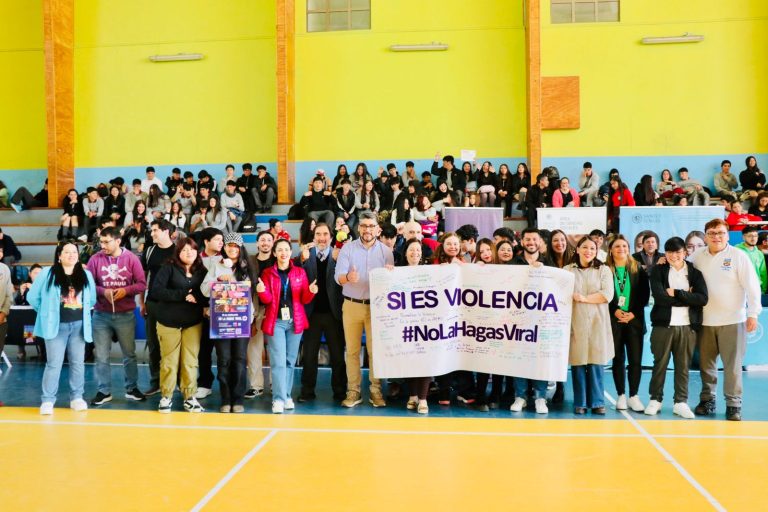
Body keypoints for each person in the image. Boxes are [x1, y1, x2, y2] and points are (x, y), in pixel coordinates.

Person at [691, 218, 761, 421]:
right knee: (706, 365)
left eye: (720, 232)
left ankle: (733, 404)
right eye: (712, 233)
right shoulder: (697, 256)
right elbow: (679, 269)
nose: (716, 237)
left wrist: (753, 313)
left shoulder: (738, 256)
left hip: (733, 320)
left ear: (728, 235)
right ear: (706, 236)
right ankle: (708, 400)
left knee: (732, 366)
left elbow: (752, 287)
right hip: (705, 320)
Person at [28, 241, 97, 415]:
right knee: (53, 364)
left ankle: (77, 397)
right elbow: (32, 297)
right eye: (67, 252)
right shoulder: (47, 273)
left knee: (78, 363)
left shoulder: (86, 275)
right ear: (59, 255)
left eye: (74, 252)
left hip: (79, 326)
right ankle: (48, 400)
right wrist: (46, 313)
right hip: (55, 327)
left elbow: (93, 299)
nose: (71, 255)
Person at [334, 212, 394, 408]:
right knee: (351, 350)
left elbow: (391, 281)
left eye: (371, 226)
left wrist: (390, 276)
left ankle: (376, 391)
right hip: (351, 305)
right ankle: (354, 390)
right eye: (364, 226)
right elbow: (338, 277)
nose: (367, 229)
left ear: (377, 229)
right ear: (358, 228)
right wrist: (347, 278)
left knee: (375, 351)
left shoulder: (386, 251)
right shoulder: (347, 249)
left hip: (377, 307)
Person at [645, 237, 708, 419]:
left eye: (678, 252)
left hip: (688, 327)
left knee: (683, 366)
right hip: (663, 326)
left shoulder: (694, 273)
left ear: (685, 252)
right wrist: (687, 296)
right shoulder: (658, 270)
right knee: (660, 364)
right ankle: (655, 399)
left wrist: (677, 293)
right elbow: (660, 297)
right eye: (670, 252)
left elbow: (702, 299)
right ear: (665, 253)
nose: (674, 256)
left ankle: (680, 402)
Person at [86, 227, 147, 406]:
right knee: (102, 355)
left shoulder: (131, 258)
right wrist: (103, 292)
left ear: (118, 241)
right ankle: (103, 390)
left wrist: (125, 291)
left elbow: (142, 284)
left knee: (129, 354)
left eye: (106, 242)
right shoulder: (94, 259)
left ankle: (132, 388)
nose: (102, 245)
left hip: (126, 314)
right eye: (100, 242)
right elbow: (88, 285)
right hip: (100, 314)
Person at [256, 239, 317, 413]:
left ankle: (287, 395)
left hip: (295, 321)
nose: (283, 253)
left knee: (290, 362)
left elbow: (304, 299)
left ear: (291, 252)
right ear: (274, 253)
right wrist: (261, 291)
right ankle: (278, 399)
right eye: (280, 250)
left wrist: (311, 292)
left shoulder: (300, 272)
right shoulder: (267, 273)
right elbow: (267, 300)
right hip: (276, 321)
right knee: (278, 362)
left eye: (286, 250)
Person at [151, 238, 208, 413]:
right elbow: (157, 291)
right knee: (169, 361)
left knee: (190, 361)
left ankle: (189, 397)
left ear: (197, 251)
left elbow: (207, 293)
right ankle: (166, 396)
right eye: (184, 250)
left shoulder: (203, 270)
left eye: (191, 249)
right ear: (178, 253)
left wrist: (197, 297)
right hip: (168, 322)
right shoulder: (168, 267)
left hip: (192, 322)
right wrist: (183, 294)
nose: (188, 253)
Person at [201, 232, 254, 413]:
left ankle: (238, 398)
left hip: (241, 321)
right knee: (224, 359)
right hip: (221, 321)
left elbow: (252, 294)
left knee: (239, 359)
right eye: (229, 245)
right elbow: (203, 289)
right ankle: (225, 397)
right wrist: (217, 280)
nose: (232, 249)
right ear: (225, 247)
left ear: (240, 249)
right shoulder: (217, 266)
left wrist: (234, 281)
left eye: (236, 246)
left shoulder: (248, 267)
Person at [298, 223, 347, 402]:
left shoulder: (340, 255)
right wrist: (301, 261)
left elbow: (345, 281)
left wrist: (338, 261)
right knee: (309, 356)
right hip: (311, 314)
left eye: (325, 234)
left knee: (337, 356)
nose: (322, 237)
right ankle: (307, 391)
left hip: (334, 315)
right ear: (313, 236)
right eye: (318, 234)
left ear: (331, 236)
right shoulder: (305, 256)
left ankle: (340, 391)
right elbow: (299, 281)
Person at [566, 236, 614, 415]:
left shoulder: (604, 270)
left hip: (598, 321)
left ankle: (597, 402)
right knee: (578, 363)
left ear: (597, 251)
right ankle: (580, 402)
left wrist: (584, 298)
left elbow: (607, 294)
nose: (588, 251)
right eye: (584, 247)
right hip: (575, 321)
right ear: (577, 249)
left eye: (592, 248)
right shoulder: (567, 270)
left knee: (596, 362)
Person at [509, 228, 551, 414]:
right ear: (522, 241)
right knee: (520, 357)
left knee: (539, 358)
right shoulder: (513, 263)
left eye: (534, 239)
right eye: (527, 239)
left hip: (543, 319)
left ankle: (540, 397)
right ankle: (520, 396)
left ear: (540, 242)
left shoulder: (549, 263)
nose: (531, 242)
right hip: (519, 319)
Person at [606, 235, 649, 412]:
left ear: (629, 249)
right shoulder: (606, 270)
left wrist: (632, 313)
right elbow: (604, 293)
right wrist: (614, 310)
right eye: (617, 246)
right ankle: (621, 395)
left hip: (634, 321)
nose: (621, 249)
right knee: (618, 359)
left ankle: (634, 395)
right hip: (614, 320)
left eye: (624, 246)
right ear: (611, 250)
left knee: (635, 359)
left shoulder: (637, 268)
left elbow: (644, 296)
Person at [140, 219, 177, 395]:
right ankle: (156, 381)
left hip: (174, 304)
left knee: (175, 345)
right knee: (153, 344)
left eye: (155, 230)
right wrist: (142, 302)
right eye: (152, 230)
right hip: (153, 303)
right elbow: (142, 279)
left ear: (166, 231)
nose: (152, 233)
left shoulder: (179, 250)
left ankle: (176, 380)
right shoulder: (149, 251)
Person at [395, 238, 430, 414]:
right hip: (406, 323)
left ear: (422, 254)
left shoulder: (431, 272)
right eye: (411, 250)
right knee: (410, 359)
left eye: (418, 250)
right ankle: (413, 395)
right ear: (405, 252)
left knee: (425, 360)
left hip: (426, 324)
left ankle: (423, 398)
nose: (415, 253)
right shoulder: (397, 272)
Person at [245, 230, 275, 399]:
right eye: (262, 240)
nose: (265, 243)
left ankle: (275, 383)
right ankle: (256, 385)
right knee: (254, 349)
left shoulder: (278, 260)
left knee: (275, 349)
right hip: (254, 309)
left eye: (268, 240)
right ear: (257, 243)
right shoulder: (249, 261)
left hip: (273, 310)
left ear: (273, 243)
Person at [195, 228, 224, 399]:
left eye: (222, 239)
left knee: (224, 352)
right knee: (203, 350)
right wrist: (203, 307)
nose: (221, 243)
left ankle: (225, 383)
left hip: (221, 312)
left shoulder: (226, 259)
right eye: (217, 239)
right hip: (201, 313)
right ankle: (205, 383)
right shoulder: (196, 259)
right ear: (206, 242)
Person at [735, 225, 767, 294]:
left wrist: (764, 289)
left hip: (756, 288)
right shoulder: (736, 251)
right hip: (740, 289)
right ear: (743, 237)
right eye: (750, 236)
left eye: (755, 236)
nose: (753, 238)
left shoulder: (759, 253)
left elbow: (763, 272)